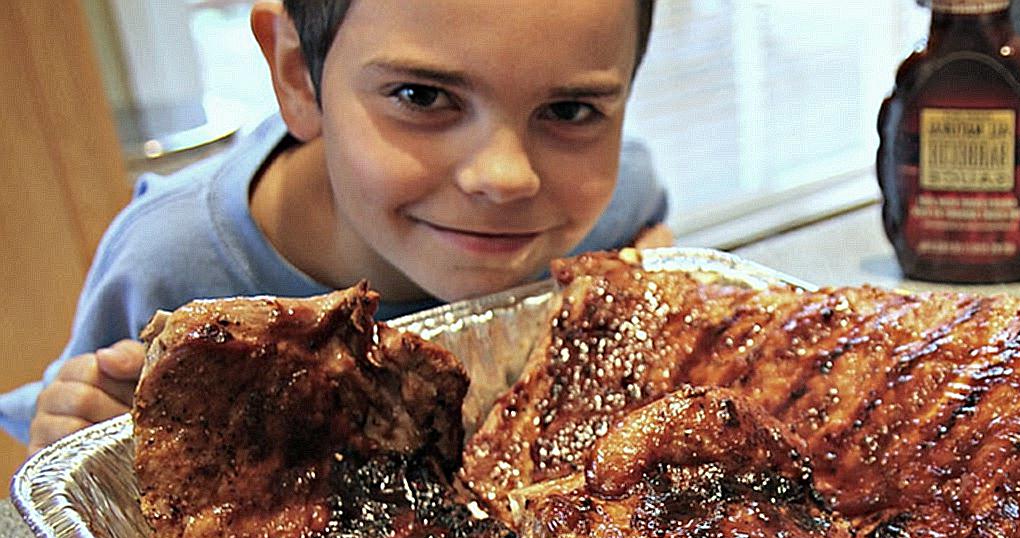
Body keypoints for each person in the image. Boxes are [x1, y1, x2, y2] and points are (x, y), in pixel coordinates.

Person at [1, 0, 670, 452]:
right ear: (296, 74)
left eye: (572, 110)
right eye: (423, 97)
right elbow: (79, 425)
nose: (506, 177)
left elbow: (646, 216)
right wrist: (79, 433)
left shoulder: (602, 206)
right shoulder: (168, 265)